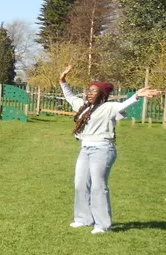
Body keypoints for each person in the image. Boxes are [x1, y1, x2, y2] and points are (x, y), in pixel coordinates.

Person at [59, 64, 160, 234]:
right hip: (85, 149)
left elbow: (123, 106)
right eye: (88, 90)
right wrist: (63, 80)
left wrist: (137, 95)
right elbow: (69, 97)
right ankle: (83, 219)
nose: (89, 93)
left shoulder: (109, 107)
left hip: (103, 150)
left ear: (102, 95)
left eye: (93, 91)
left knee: (98, 186)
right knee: (80, 184)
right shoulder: (84, 107)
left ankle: (102, 224)